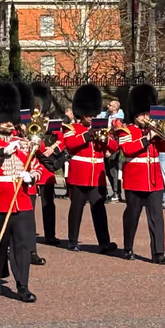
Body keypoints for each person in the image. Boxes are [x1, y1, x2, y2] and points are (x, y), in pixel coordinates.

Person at [0, 82, 40, 303]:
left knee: (21, 244)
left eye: (11, 118)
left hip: (21, 200)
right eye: (4, 118)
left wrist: (33, 176)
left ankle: (23, 285)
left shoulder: (23, 143)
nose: (9, 123)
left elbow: (37, 167)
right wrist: (2, 151)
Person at [118, 84, 165, 264]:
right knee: (132, 215)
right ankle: (128, 247)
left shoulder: (155, 132)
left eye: (148, 114)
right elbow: (127, 149)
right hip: (134, 181)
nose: (146, 117)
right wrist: (147, 139)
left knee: (157, 217)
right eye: (142, 114)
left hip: (154, 181)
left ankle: (158, 253)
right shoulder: (126, 131)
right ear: (135, 114)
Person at [62, 84, 118, 253]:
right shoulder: (71, 128)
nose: (91, 117)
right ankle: (72, 240)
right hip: (79, 175)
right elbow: (70, 144)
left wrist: (104, 139)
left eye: (93, 114)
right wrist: (88, 135)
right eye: (88, 114)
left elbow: (114, 146)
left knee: (99, 210)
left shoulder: (102, 128)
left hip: (97, 176)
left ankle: (104, 242)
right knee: (76, 209)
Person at [31, 82, 65, 246]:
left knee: (48, 202)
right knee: (28, 203)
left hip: (45, 166)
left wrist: (53, 148)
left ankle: (50, 234)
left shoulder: (50, 121)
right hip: (30, 165)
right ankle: (28, 234)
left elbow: (62, 139)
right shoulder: (24, 121)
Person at [99, 100, 125, 201]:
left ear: (115, 108)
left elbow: (117, 136)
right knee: (108, 171)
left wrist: (111, 150)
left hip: (114, 148)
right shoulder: (108, 116)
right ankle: (115, 192)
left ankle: (116, 193)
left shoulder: (118, 120)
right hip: (107, 147)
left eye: (110, 105)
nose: (108, 106)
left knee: (113, 171)